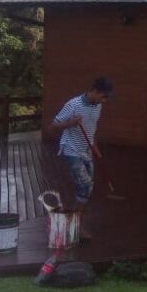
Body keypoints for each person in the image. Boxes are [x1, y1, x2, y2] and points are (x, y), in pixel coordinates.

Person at [49, 77, 113, 214]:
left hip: (87, 149)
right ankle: (76, 217)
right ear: (94, 91)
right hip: (71, 149)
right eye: (103, 96)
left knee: (88, 184)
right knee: (85, 184)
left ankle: (76, 213)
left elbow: (92, 126)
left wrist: (94, 145)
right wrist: (70, 123)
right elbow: (52, 127)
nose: (104, 100)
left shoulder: (98, 105)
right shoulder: (73, 105)